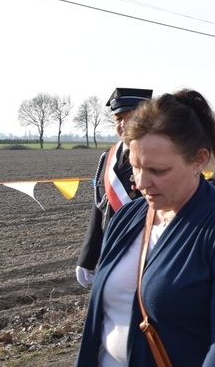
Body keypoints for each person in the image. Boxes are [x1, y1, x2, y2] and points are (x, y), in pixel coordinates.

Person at [76, 89, 215, 366]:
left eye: (158, 171)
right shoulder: (127, 218)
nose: (142, 183)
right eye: (136, 167)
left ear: (199, 160)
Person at [76, 87, 152, 288]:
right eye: (118, 118)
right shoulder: (107, 158)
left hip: (149, 257)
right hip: (112, 256)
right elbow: (99, 209)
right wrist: (87, 259)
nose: (123, 124)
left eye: (130, 117)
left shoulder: (159, 157)